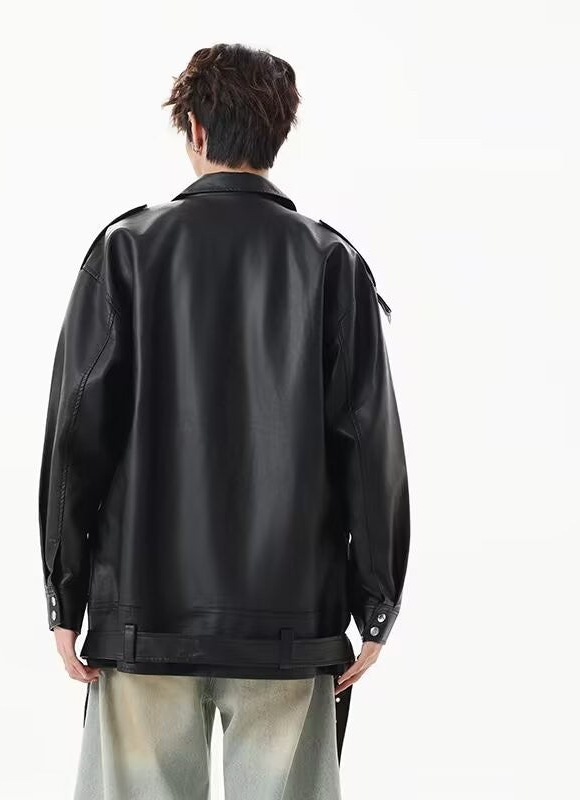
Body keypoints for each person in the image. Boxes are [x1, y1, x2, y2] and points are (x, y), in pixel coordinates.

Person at [38, 42, 410, 800]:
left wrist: (64, 595)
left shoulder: (127, 249)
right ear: (279, 134)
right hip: (291, 623)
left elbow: (78, 436)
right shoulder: (331, 262)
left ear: (196, 130)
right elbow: (368, 445)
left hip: (143, 618)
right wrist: (375, 606)